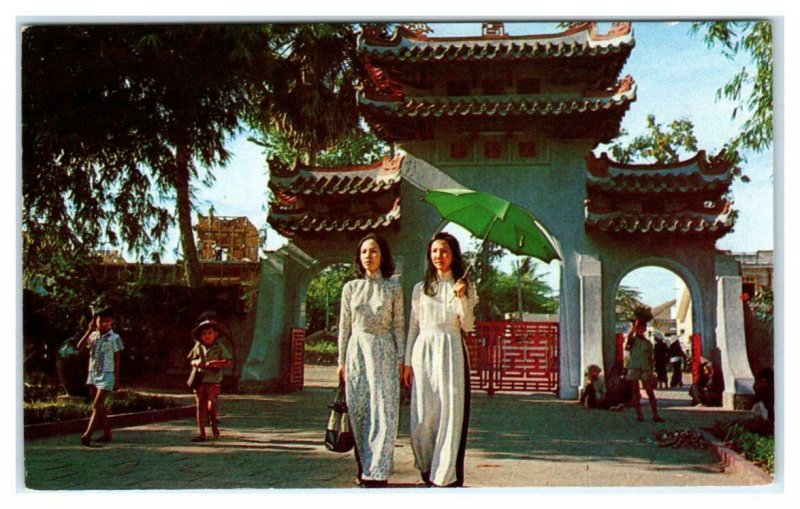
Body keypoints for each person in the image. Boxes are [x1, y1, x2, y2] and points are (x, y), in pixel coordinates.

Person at [403, 232, 478, 487]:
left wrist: (461, 298)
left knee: (450, 411)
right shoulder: (420, 289)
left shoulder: (463, 286)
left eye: (444, 251)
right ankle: (426, 464)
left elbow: (467, 326)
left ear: (454, 255)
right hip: (424, 350)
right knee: (424, 414)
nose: (439, 256)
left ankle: (444, 473)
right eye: (435, 251)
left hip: (451, 350)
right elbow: (413, 327)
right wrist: (407, 362)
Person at [337, 233, 404, 488]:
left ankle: (378, 471)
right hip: (357, 353)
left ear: (383, 255)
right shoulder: (350, 288)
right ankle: (364, 465)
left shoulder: (393, 287)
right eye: (364, 252)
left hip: (384, 351)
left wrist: (401, 358)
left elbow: (398, 325)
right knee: (360, 411)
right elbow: (344, 327)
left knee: (384, 413)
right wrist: (341, 362)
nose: (368, 256)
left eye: (373, 251)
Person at [77, 306, 124, 446]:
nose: (104, 323)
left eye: (107, 321)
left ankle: (88, 434)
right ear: (95, 321)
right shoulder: (92, 336)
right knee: (99, 406)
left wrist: (116, 378)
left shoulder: (115, 338)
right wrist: (89, 330)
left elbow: (117, 358)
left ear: (112, 322)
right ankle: (107, 433)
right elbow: (79, 347)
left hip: (107, 374)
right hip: (93, 373)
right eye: (101, 321)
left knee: (98, 404)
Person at [187, 316, 233, 442]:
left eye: (210, 333)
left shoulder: (219, 346)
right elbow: (191, 360)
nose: (207, 336)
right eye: (204, 334)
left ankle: (213, 423)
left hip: (214, 380)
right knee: (199, 406)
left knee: (212, 404)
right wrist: (197, 363)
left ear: (215, 334)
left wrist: (217, 363)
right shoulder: (198, 346)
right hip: (200, 380)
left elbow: (228, 361)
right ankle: (202, 433)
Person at [625, 320, 665, 423]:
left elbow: (651, 358)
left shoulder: (648, 343)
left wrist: (652, 371)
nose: (640, 331)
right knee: (636, 393)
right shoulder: (632, 340)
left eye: (642, 329)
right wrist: (634, 326)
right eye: (639, 329)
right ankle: (639, 415)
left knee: (649, 391)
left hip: (645, 368)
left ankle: (655, 415)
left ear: (645, 330)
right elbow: (628, 341)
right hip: (634, 367)